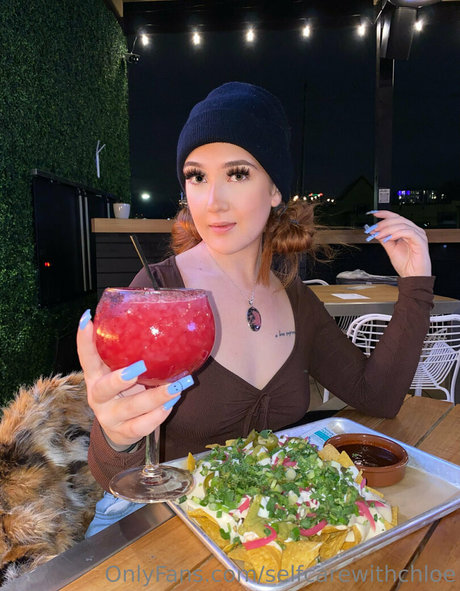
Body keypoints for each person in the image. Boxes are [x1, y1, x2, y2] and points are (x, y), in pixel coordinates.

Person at [77, 82, 433, 535]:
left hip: (258, 538)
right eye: (197, 176)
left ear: (275, 190)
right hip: (162, 529)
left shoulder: (294, 297)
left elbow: (376, 396)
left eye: (238, 174)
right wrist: (116, 436)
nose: (213, 202)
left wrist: (415, 284)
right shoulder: (158, 294)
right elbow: (114, 478)